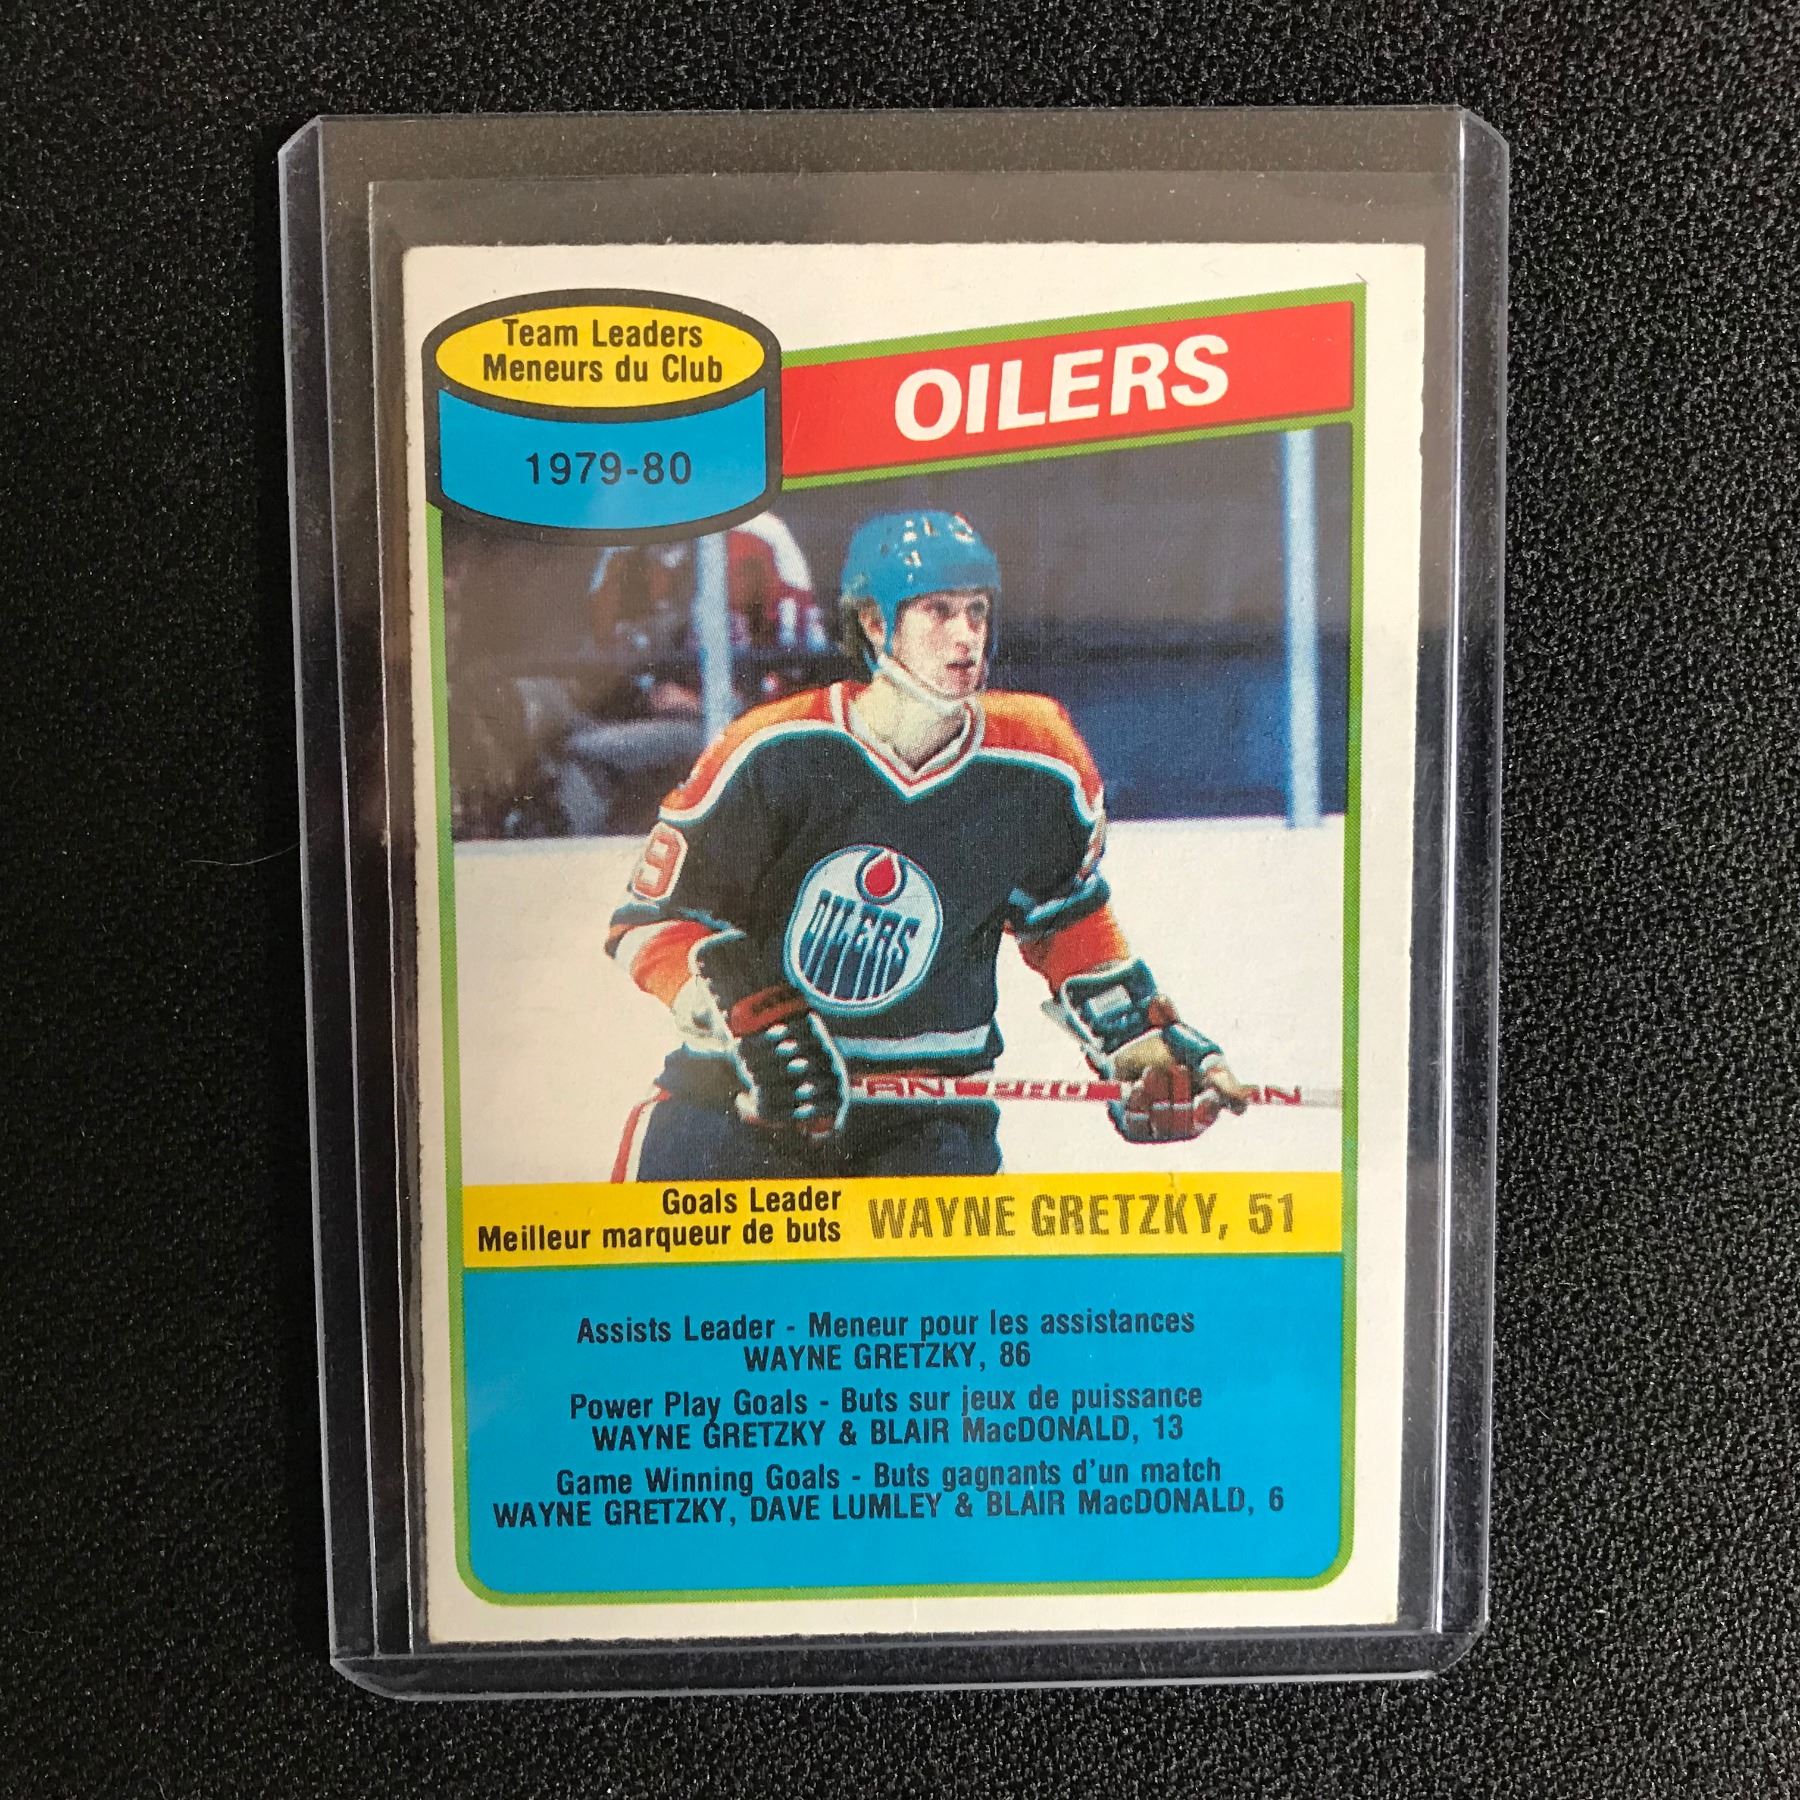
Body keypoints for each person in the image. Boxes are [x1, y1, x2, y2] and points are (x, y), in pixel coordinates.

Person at [605, 510, 1251, 1180]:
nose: (966, 635)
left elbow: (1065, 921)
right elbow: (650, 920)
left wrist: (1135, 1038)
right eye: (938, 611)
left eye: (977, 611)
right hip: (744, 1103)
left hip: (926, 1121)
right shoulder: (772, 749)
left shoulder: (1039, 759)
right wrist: (726, 1013)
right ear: (874, 623)